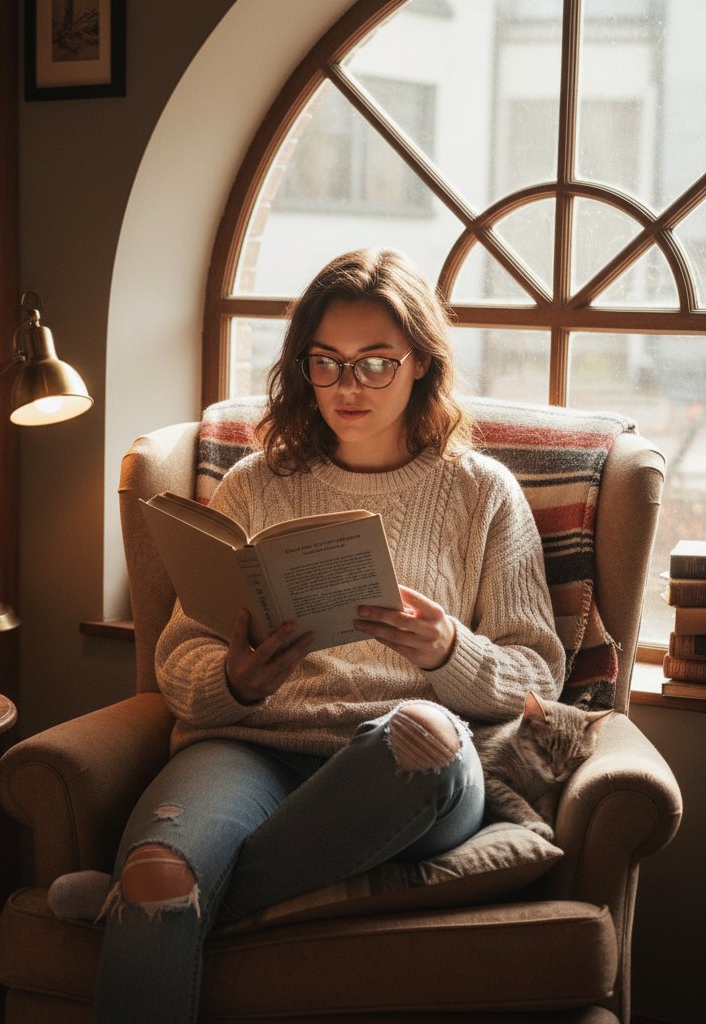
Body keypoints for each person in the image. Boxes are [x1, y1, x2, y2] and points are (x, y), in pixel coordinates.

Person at [53, 248, 566, 1023]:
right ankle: (151, 896)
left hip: (404, 761)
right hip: (253, 745)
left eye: (373, 363)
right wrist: (236, 682)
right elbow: (182, 651)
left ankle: (142, 909)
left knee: (423, 732)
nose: (346, 386)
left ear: (422, 362)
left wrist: (447, 650)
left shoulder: (480, 492)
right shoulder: (255, 484)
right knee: (162, 875)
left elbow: (538, 673)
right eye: (325, 363)